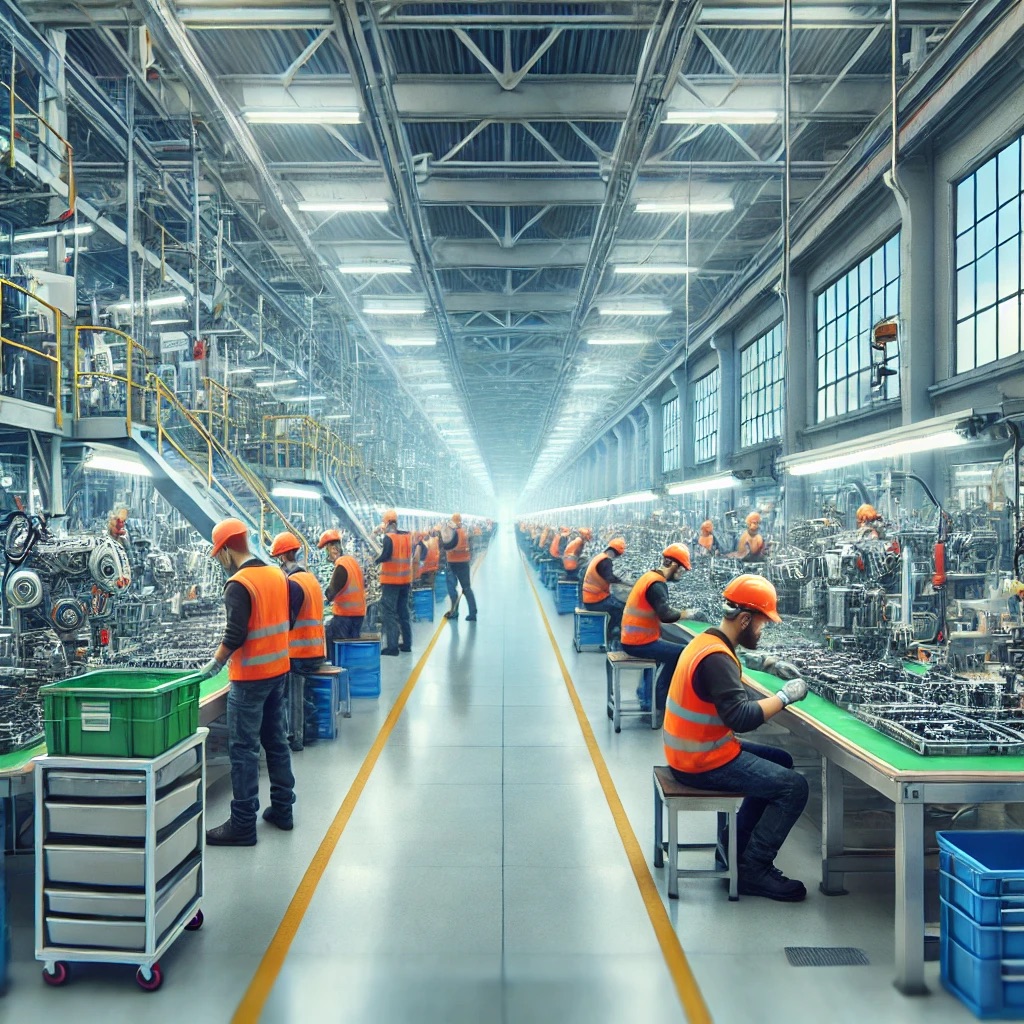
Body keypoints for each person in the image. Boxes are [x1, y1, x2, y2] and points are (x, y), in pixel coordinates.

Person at [662, 574, 810, 901]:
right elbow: (740, 718)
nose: (762, 630)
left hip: (693, 750)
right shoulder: (716, 658)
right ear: (744, 619)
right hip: (702, 761)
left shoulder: (708, 642)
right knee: (794, 787)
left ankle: (735, 849)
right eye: (760, 623)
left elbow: (730, 671)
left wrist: (768, 663)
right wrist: (785, 697)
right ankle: (754, 870)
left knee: (782, 761)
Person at [199, 518, 302, 845]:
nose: (219, 560)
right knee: (276, 741)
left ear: (228, 549)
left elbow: (235, 633)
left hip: (249, 679)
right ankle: (283, 810)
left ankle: (243, 824)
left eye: (219, 554)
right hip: (278, 672)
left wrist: (215, 664)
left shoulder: (239, 584)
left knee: (243, 749)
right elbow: (293, 604)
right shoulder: (277, 573)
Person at [270, 532, 326, 754]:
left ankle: (297, 737)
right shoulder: (309, 578)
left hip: (299, 651)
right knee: (303, 694)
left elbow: (288, 620)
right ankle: (308, 729)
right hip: (315, 647)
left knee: (294, 695)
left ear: (283, 557)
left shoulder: (293, 583)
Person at [620, 544, 694, 710]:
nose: (681, 573)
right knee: (682, 652)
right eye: (682, 569)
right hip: (639, 643)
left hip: (633, 639)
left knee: (667, 651)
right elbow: (665, 615)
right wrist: (687, 614)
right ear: (674, 565)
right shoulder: (657, 584)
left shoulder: (649, 577)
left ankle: (645, 694)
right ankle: (659, 701)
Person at [318, 529, 366, 646]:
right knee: (351, 649)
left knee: (332, 640)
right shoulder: (352, 561)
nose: (325, 553)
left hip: (345, 617)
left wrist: (321, 596)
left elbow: (331, 593)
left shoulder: (341, 565)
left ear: (333, 549)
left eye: (326, 549)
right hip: (358, 614)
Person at [376, 508, 413, 655]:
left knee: (389, 613)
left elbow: (386, 555)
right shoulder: (406, 536)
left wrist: (375, 559)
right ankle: (407, 644)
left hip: (391, 582)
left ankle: (392, 647)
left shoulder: (389, 537)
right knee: (403, 612)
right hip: (405, 580)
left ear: (386, 522)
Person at [582, 537, 630, 642]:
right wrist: (623, 582)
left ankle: (609, 632)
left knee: (615, 606)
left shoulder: (599, 557)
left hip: (589, 597)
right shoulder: (606, 561)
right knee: (622, 608)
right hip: (596, 601)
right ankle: (611, 634)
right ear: (617, 553)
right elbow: (609, 577)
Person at [442, 512, 477, 621]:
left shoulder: (453, 532)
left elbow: (447, 546)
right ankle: (473, 613)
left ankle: (454, 611)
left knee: (452, 588)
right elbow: (470, 546)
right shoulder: (464, 532)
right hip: (464, 564)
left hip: (452, 563)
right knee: (466, 588)